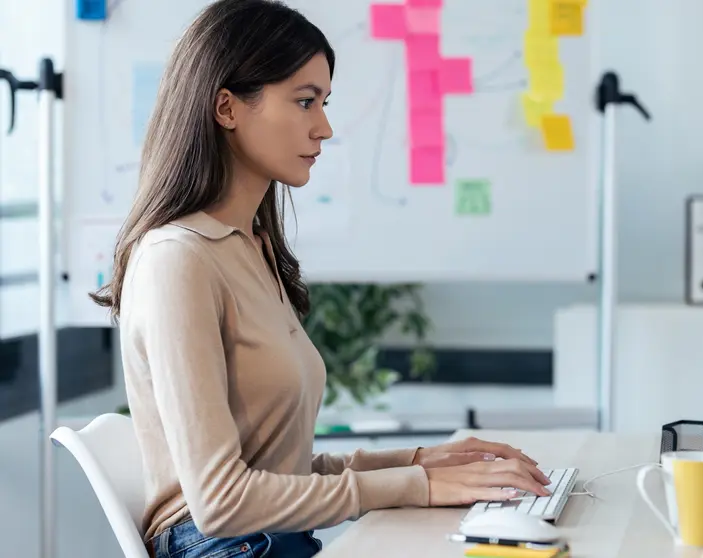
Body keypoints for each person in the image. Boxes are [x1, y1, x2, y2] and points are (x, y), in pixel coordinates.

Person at [91, 1, 551, 557]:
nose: (325, 127)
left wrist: (418, 462)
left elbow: (278, 471)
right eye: (305, 101)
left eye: (324, 103)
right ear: (226, 107)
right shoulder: (177, 260)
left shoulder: (250, 248)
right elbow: (219, 502)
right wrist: (419, 487)